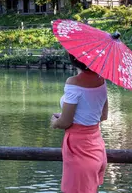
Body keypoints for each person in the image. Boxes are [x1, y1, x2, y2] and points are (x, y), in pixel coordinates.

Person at [50, 55, 108, 193]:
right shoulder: (101, 80)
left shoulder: (73, 82)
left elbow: (65, 122)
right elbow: (103, 116)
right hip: (96, 147)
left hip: (79, 149)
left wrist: (55, 122)